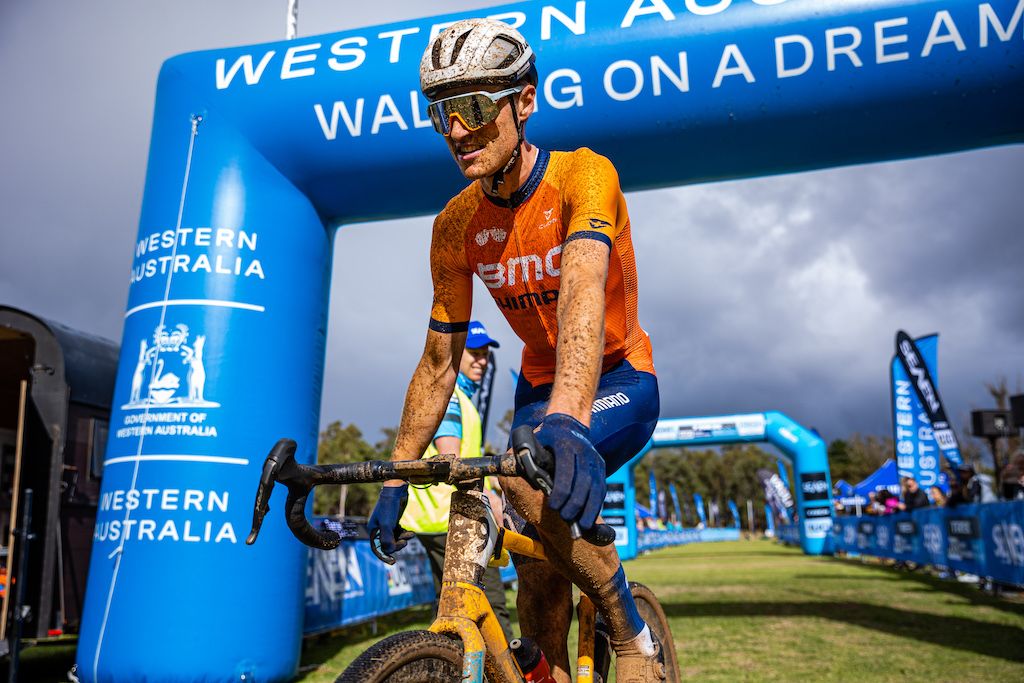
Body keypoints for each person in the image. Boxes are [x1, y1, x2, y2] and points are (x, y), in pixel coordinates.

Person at [366, 18, 663, 682]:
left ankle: (633, 633)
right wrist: (395, 474)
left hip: (620, 376)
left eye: (474, 107)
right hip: (538, 386)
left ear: (524, 101)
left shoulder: (584, 176)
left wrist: (569, 417)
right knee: (534, 571)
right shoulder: (455, 224)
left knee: (525, 479)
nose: (456, 130)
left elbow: (581, 290)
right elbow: (439, 361)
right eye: (442, 111)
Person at [398, 321, 513, 642]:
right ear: (457, 354)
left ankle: (453, 666)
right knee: (489, 607)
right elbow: (454, 461)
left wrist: (491, 491)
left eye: (486, 355)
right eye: (474, 354)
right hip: (452, 519)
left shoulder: (462, 397)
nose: (482, 361)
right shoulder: (449, 395)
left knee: (455, 611)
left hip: (445, 518)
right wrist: (487, 497)